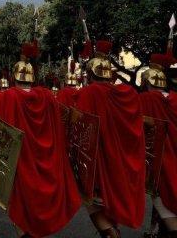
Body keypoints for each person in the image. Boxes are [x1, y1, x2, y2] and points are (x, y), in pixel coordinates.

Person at [0, 41, 81, 237]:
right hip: (45, 158)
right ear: (33, 77)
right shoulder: (48, 96)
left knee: (20, 206)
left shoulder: (4, 98)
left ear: (13, 77)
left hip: (19, 162)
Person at [76, 40, 146, 237]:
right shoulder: (128, 93)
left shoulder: (90, 92)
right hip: (123, 161)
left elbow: (81, 126)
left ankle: (111, 233)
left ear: (90, 74)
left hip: (100, 162)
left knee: (93, 204)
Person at [139, 54, 177, 237]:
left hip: (161, 161)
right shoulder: (175, 98)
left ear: (146, 82)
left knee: (163, 197)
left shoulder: (146, 99)